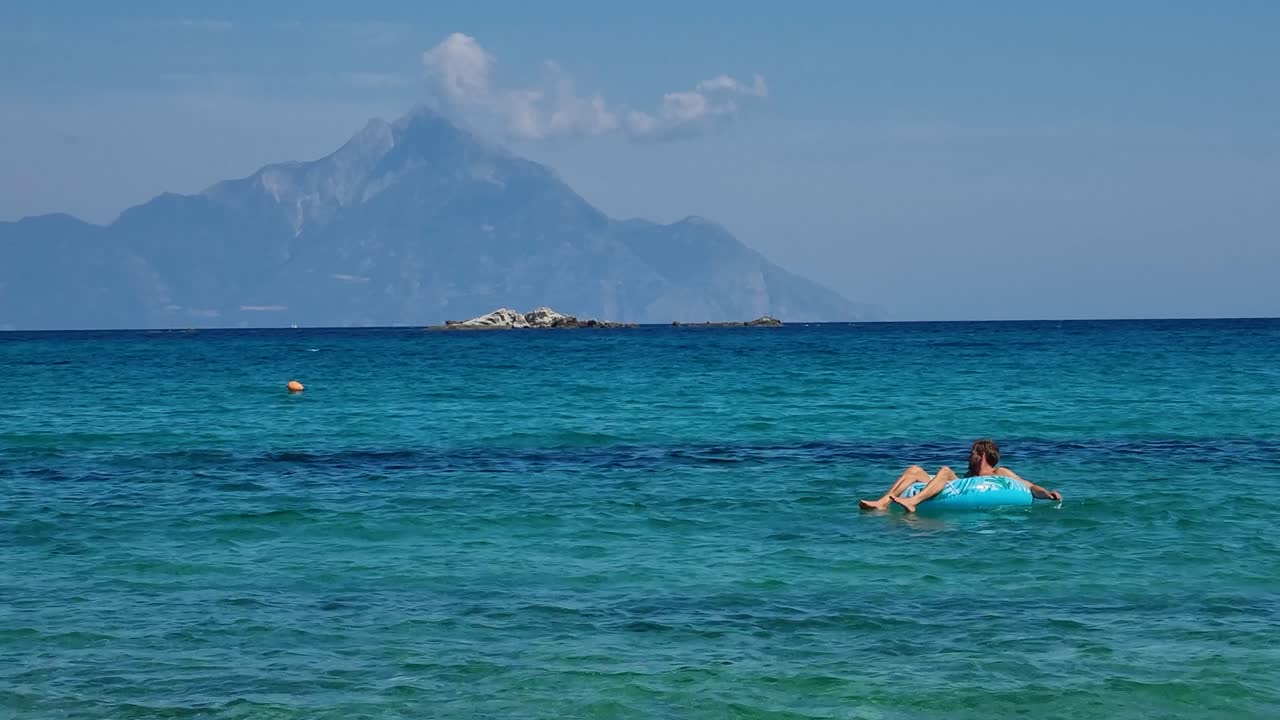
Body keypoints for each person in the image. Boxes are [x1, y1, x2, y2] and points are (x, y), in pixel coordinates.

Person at [857, 439, 1062, 512]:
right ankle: (882, 503)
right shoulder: (968, 474)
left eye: (971, 453)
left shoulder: (1001, 473)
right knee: (914, 469)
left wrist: (1049, 494)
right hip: (963, 488)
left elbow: (1030, 487)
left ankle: (914, 502)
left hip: (974, 491)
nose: (968, 456)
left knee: (945, 470)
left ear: (981, 456)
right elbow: (959, 486)